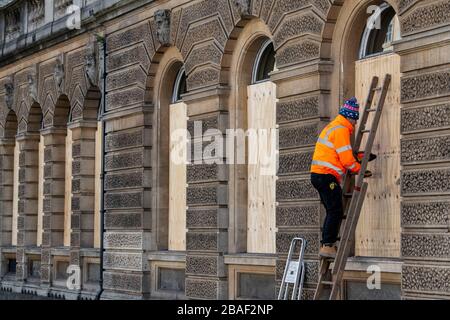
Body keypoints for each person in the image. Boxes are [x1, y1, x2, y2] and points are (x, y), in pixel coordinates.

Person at [310, 97, 374, 258]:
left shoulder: (334, 127)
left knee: (331, 209)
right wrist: (360, 168)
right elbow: (346, 160)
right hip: (326, 176)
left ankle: (326, 244)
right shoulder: (341, 130)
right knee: (336, 210)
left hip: (319, 176)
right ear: (350, 117)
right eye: (355, 120)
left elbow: (340, 154)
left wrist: (359, 158)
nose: (355, 124)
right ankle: (327, 246)